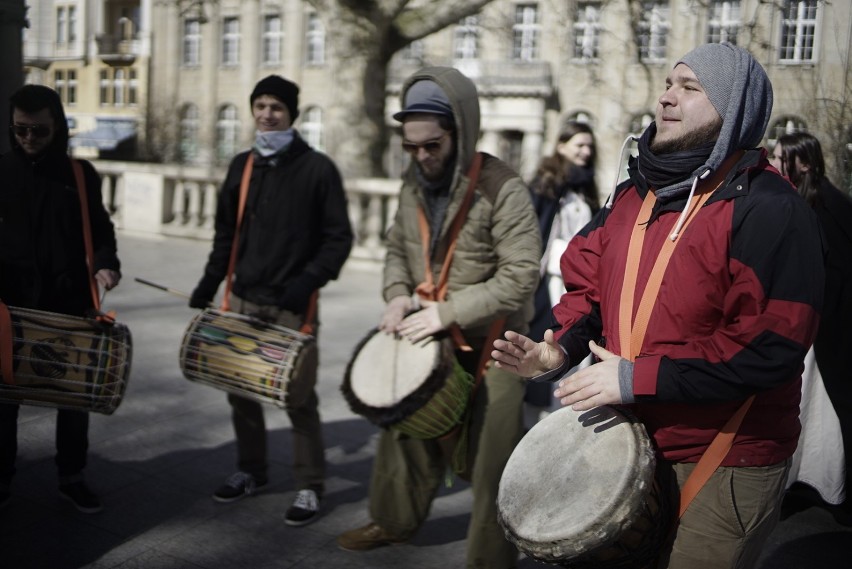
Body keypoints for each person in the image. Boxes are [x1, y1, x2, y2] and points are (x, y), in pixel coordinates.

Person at [492, 43, 825, 568]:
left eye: (691, 88)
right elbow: (591, 289)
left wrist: (634, 379)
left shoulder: (770, 209)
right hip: (632, 438)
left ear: (733, 110)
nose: (667, 98)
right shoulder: (634, 194)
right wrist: (558, 350)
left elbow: (767, 347)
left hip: (727, 456)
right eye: (670, 84)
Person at [336, 67, 541, 568]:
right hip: (432, 334)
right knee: (402, 431)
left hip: (498, 343)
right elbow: (396, 250)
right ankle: (393, 520)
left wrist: (444, 312)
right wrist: (396, 294)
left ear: (460, 132)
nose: (422, 157)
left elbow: (522, 275)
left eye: (432, 145)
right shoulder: (412, 183)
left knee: (496, 464)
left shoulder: (504, 188)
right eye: (412, 147)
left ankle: (489, 560)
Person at [188, 75, 353, 527]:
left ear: (291, 114)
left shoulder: (318, 169)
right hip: (241, 298)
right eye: (259, 105)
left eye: (275, 106)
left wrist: (305, 284)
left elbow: (338, 240)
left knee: (298, 399)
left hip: (291, 305)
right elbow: (227, 234)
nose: (266, 113)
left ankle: (310, 485)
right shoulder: (242, 165)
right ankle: (251, 470)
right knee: (239, 392)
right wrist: (209, 284)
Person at [0, 84, 121, 513]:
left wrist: (106, 262)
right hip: (10, 304)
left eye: (38, 130)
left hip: (68, 301)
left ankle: (72, 476)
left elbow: (101, 229)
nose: (28, 139)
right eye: (20, 130)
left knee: (73, 397)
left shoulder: (80, 175)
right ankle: (1, 480)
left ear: (58, 127)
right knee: (4, 398)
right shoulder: (2, 171)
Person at [772, 131, 852, 525]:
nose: (773, 161)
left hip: (823, 329)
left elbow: (835, 270)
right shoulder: (809, 200)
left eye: (780, 156)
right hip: (813, 324)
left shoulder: (825, 206)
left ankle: (819, 485)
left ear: (802, 163)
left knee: (818, 407)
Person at [525, 121, 600, 422]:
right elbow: (535, 233)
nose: (586, 151)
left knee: (575, 346)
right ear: (561, 146)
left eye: (589, 146)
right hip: (551, 282)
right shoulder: (546, 184)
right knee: (549, 340)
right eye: (579, 144)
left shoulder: (586, 188)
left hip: (580, 281)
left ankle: (568, 415)